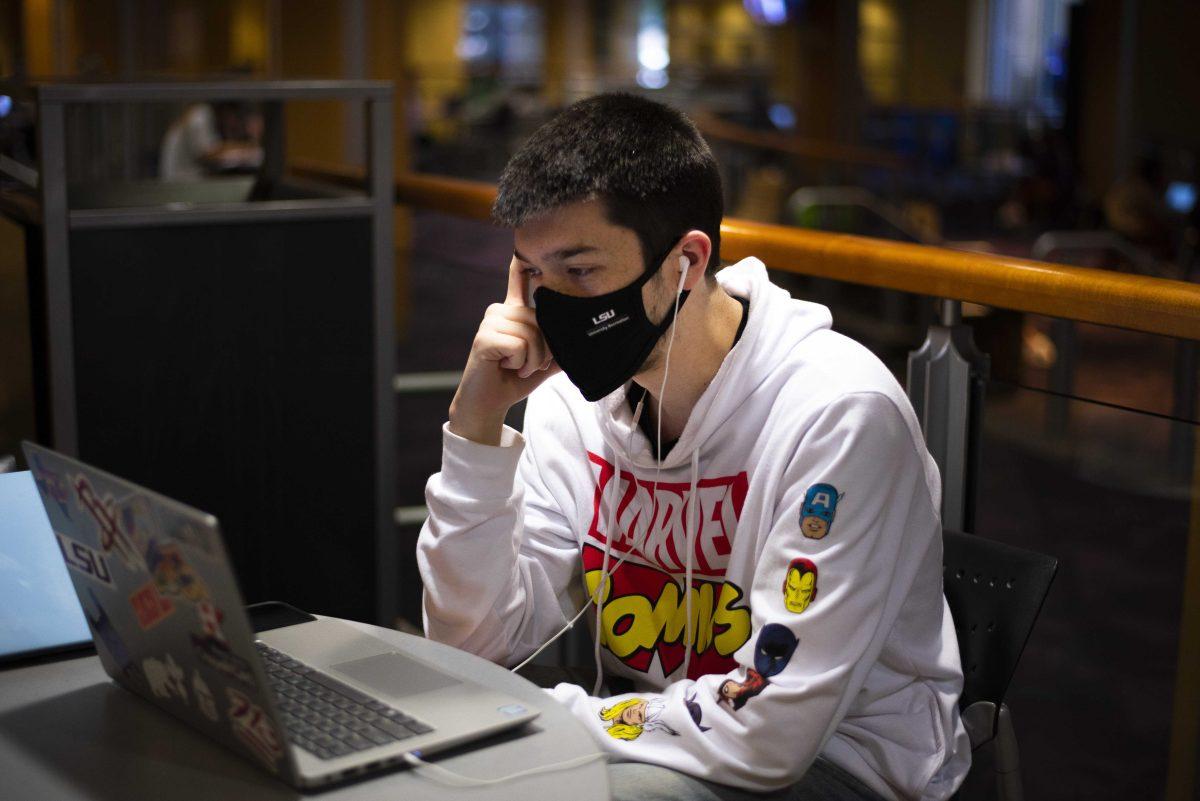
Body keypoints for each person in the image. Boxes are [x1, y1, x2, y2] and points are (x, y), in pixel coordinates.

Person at [417, 92, 970, 801]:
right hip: (657, 740)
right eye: (531, 273)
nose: (549, 304)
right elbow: (468, 646)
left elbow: (768, 731)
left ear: (685, 261)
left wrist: (542, 719)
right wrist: (477, 424)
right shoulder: (573, 402)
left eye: (580, 271)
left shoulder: (838, 414)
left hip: (842, 761)